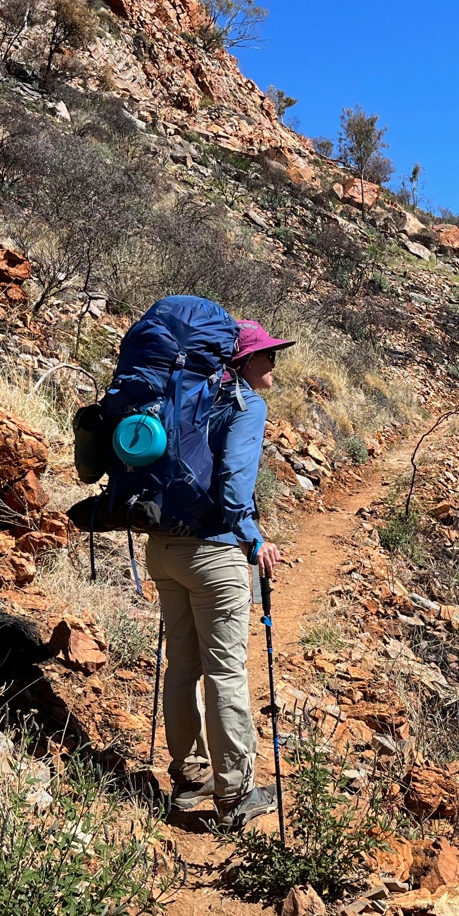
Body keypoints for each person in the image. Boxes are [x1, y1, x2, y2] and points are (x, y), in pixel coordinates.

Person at [146, 319, 294, 830]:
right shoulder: (247, 405)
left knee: (182, 666)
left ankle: (189, 778)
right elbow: (233, 486)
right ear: (245, 359)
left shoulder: (184, 396)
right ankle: (235, 794)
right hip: (213, 554)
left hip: (163, 548)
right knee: (227, 673)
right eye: (268, 354)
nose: (274, 363)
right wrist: (254, 539)